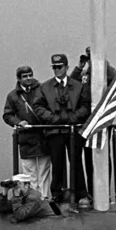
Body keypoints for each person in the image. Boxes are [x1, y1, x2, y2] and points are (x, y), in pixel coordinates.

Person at [33, 54, 91, 207]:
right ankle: (57, 193)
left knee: (76, 162)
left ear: (66, 67)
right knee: (57, 163)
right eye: (54, 67)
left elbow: (86, 105)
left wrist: (73, 118)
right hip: (55, 131)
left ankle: (81, 193)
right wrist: (53, 119)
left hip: (73, 130)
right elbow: (38, 106)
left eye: (59, 67)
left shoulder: (78, 86)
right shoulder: (45, 87)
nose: (57, 70)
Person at [70, 47, 116, 196]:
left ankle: (102, 192)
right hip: (85, 122)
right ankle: (89, 192)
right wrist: (79, 67)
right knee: (86, 157)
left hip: (100, 121)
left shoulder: (106, 71)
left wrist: (103, 64)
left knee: (101, 157)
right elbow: (71, 83)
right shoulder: (85, 73)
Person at [3, 66, 51, 199]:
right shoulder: (13, 96)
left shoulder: (42, 90)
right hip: (26, 138)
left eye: (30, 75)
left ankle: (45, 198)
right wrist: (19, 122)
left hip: (42, 135)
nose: (28, 78)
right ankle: (32, 199)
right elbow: (7, 115)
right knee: (29, 173)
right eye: (25, 76)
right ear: (19, 79)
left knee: (44, 170)